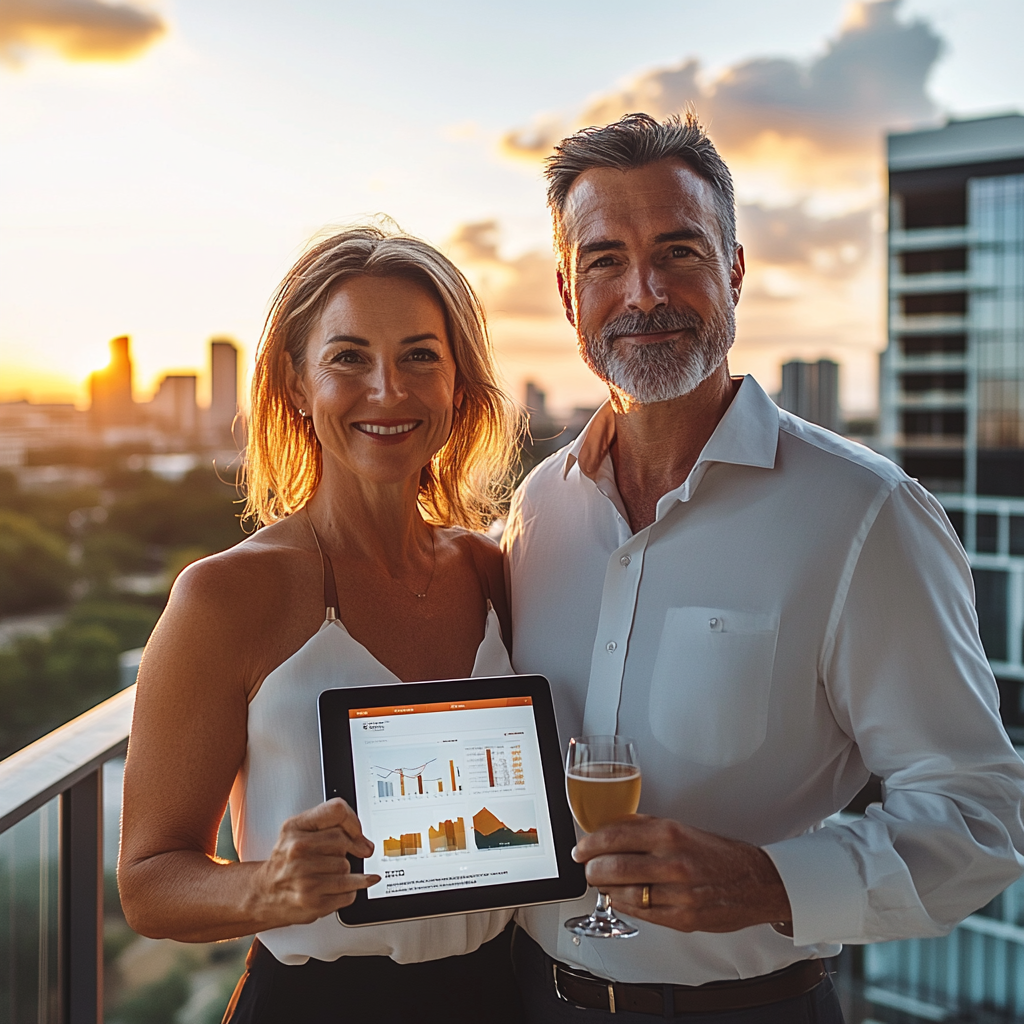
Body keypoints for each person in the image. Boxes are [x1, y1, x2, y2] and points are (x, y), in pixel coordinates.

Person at [503, 112, 1024, 1023]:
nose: (644, 292)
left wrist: (772, 883)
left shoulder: (866, 516)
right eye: (604, 262)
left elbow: (979, 818)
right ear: (565, 290)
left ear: (735, 268)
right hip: (526, 997)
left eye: (681, 250)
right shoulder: (536, 508)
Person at [118, 226, 527, 1023]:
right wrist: (266, 885)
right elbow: (149, 885)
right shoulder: (224, 597)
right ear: (297, 387)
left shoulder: (496, 572)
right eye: (348, 357)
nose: (387, 389)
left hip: (504, 994)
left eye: (420, 356)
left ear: (459, 388)